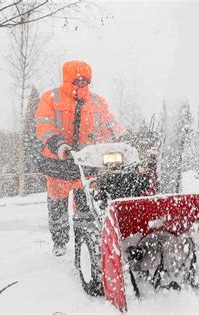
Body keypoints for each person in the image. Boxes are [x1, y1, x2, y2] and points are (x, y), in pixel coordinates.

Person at [35, 60, 122, 256]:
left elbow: (110, 124)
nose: (82, 83)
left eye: (85, 80)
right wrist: (58, 145)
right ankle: (59, 241)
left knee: (87, 207)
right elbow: (44, 125)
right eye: (77, 80)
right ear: (67, 79)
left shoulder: (98, 102)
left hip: (87, 163)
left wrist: (123, 137)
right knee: (58, 206)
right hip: (59, 163)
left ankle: (85, 241)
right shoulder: (51, 98)